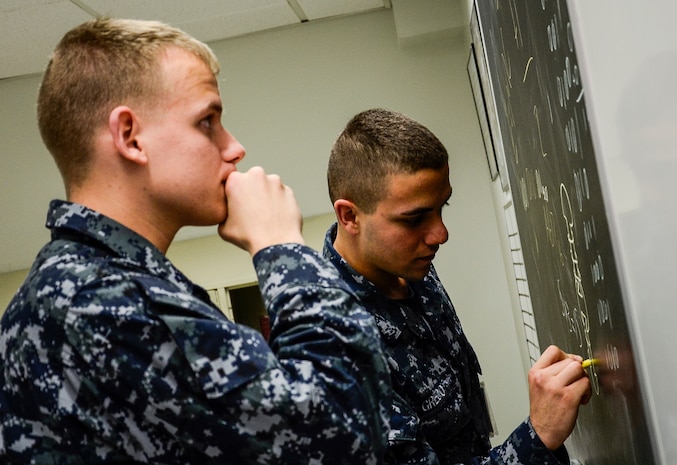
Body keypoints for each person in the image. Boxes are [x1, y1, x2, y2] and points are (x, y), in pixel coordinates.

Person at [0, 18, 393, 464]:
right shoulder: (102, 302)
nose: (234, 147)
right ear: (130, 136)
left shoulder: (83, 287)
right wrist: (282, 246)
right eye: (207, 121)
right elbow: (346, 433)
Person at [323, 108, 592, 465]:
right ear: (350, 216)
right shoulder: (335, 346)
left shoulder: (407, 266)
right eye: (415, 218)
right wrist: (539, 434)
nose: (440, 234)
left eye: (441, 208)